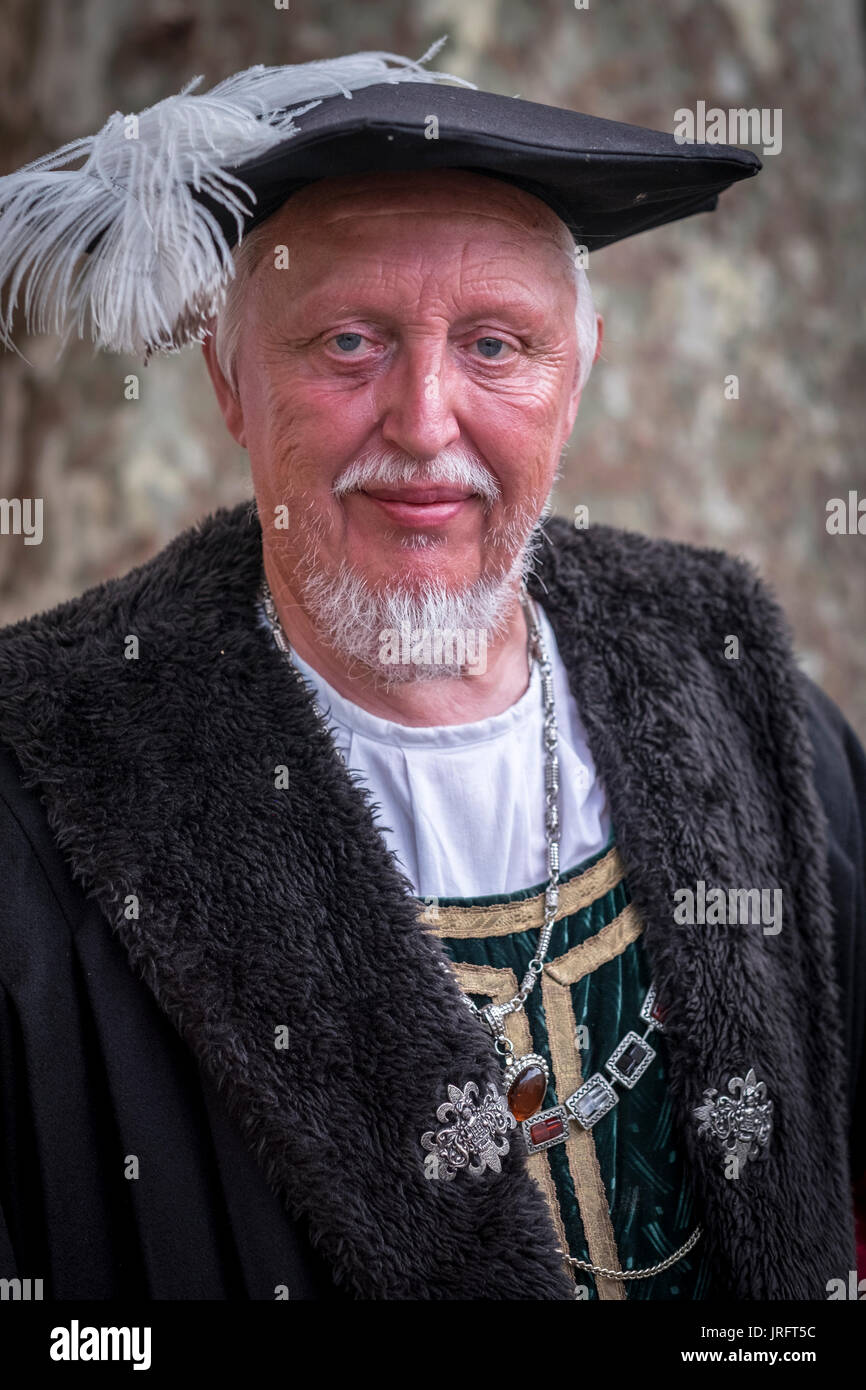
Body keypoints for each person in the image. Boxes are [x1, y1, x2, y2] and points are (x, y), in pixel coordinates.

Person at [0, 42, 862, 1301]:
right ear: (232, 382)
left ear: (576, 379)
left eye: (496, 345)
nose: (422, 422)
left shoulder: (741, 700)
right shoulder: (41, 797)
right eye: (348, 342)